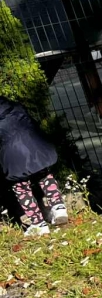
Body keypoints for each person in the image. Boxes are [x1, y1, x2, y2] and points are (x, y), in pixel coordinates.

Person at [0, 96, 67, 236]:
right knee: (44, 176)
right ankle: (59, 207)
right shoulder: (15, 107)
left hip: (13, 155)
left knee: (21, 188)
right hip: (35, 147)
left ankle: (38, 224)